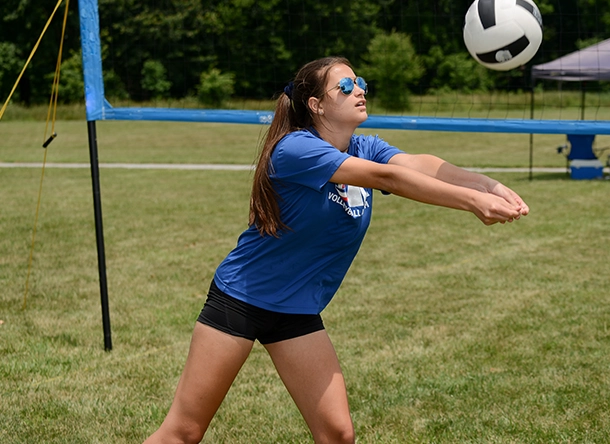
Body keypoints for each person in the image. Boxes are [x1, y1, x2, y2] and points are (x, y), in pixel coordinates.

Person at [143, 56, 529, 444]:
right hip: (241, 300)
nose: (359, 89)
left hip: (296, 310)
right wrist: (470, 202)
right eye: (345, 86)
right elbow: (388, 177)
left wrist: (486, 184)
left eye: (359, 81)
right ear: (316, 105)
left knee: (337, 434)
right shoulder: (295, 149)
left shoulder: (364, 145)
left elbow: (417, 164)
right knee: (184, 432)